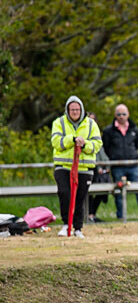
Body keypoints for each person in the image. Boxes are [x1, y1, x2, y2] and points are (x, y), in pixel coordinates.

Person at [51, 96, 102, 238]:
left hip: (84, 168)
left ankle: (78, 228)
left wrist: (84, 144)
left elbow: (97, 144)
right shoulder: (59, 123)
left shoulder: (91, 124)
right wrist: (72, 140)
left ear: (82, 109)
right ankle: (66, 224)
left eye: (77, 109)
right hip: (64, 166)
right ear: (67, 110)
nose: (75, 112)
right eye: (72, 109)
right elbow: (56, 142)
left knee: (80, 198)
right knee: (65, 194)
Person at [101, 104, 138, 220]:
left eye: (124, 114)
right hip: (117, 166)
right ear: (115, 115)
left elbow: (136, 144)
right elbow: (106, 147)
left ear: (128, 114)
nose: (121, 117)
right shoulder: (109, 131)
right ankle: (121, 215)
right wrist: (114, 158)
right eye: (119, 114)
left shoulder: (134, 129)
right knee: (119, 191)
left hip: (132, 165)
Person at [86, 112, 110, 223]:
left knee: (102, 192)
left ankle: (92, 214)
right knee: (88, 192)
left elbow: (102, 152)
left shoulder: (97, 135)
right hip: (87, 167)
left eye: (94, 120)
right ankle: (88, 215)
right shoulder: (82, 134)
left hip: (99, 170)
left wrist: (106, 165)